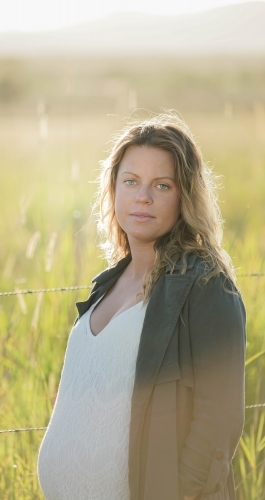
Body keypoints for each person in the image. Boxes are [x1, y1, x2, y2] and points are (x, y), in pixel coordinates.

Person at [37, 113, 246, 500]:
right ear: (113, 189)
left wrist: (181, 491)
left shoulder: (205, 285)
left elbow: (220, 417)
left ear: (184, 195)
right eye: (130, 181)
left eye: (161, 185)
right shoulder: (107, 283)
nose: (142, 197)